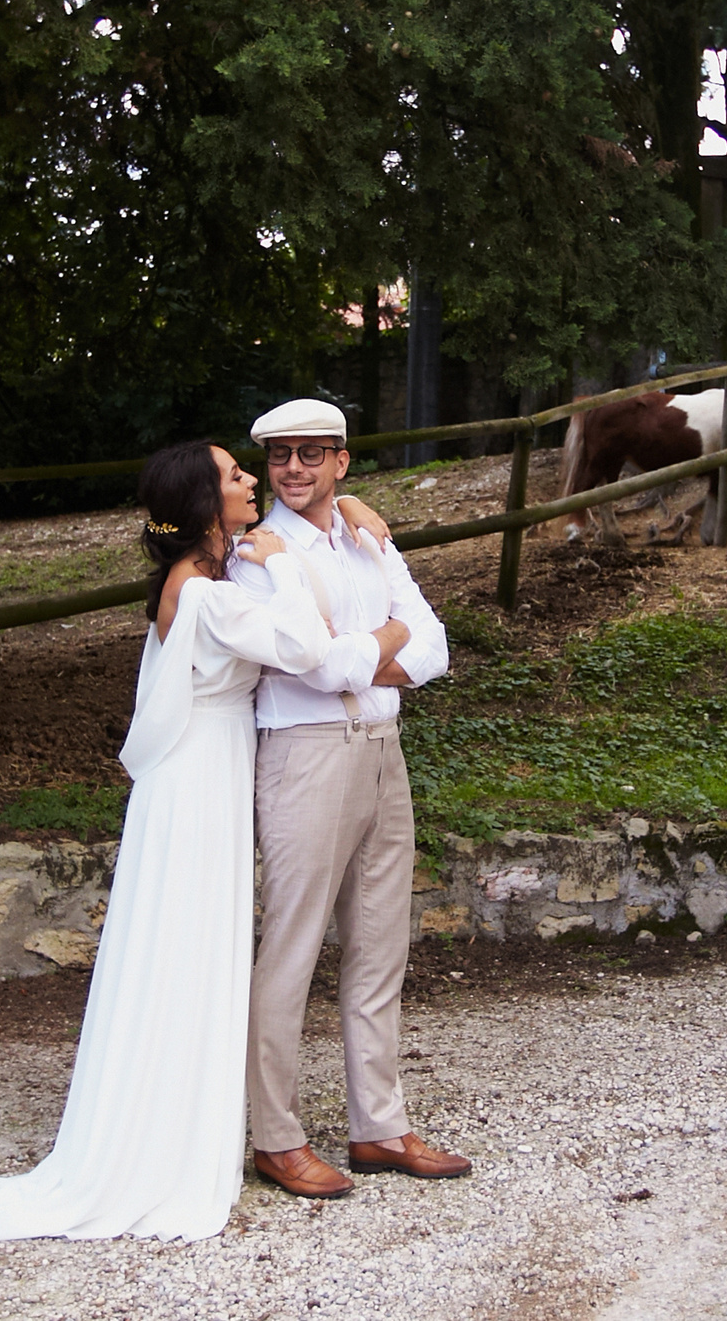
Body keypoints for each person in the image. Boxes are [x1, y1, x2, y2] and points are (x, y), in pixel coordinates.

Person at [0, 441, 406, 1270]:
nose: (253, 479)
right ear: (199, 503)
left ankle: (188, 1120)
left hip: (201, 773)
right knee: (187, 951)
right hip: (198, 788)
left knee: (190, 953)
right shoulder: (211, 597)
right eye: (234, 474)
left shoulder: (198, 584)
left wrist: (338, 526)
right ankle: (166, 1146)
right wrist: (303, 571)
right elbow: (304, 645)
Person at [230, 397, 471, 1199]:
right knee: (292, 947)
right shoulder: (257, 554)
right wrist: (387, 643)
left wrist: (372, 651)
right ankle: (278, 1136)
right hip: (304, 756)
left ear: (342, 461)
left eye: (309, 454)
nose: (292, 469)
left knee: (380, 944)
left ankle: (379, 1124)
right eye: (278, 457)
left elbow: (433, 643)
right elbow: (319, 669)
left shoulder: (370, 539)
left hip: (381, 751)